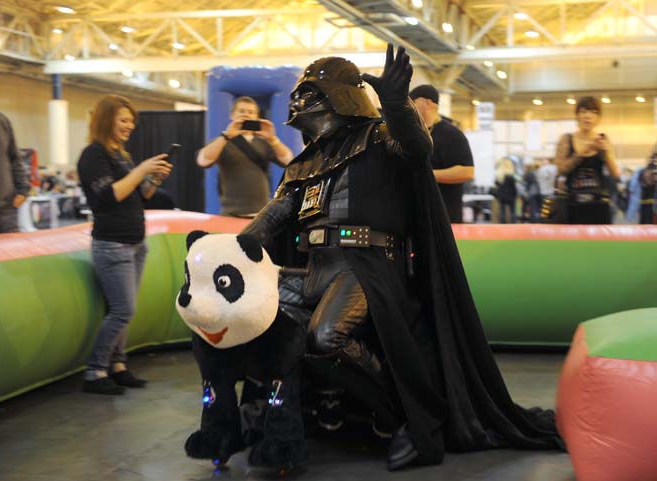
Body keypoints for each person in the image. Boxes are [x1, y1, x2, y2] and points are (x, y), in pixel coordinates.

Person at [241, 44, 561, 471]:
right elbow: (276, 214)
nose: (302, 101)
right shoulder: (304, 162)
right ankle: (286, 422)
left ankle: (407, 417)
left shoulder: (378, 136)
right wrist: (228, 251)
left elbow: (417, 148)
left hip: (366, 265)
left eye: (312, 91)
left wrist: (394, 102)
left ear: (338, 96)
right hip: (312, 265)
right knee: (262, 322)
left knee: (326, 337)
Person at [77, 94, 173, 395]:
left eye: (132, 121)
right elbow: (109, 196)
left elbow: (140, 195)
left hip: (134, 243)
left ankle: (118, 365)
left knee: (124, 310)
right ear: (107, 120)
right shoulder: (93, 155)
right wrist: (142, 170)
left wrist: (153, 179)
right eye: (123, 120)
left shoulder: (120, 154)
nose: (129, 126)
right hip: (112, 244)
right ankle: (96, 370)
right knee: (122, 310)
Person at [196, 96, 294, 217]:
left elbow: (288, 160)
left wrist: (272, 139)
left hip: (260, 212)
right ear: (232, 115)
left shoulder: (265, 142)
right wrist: (226, 136)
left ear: (257, 117)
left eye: (251, 112)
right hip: (230, 213)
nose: (246, 115)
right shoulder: (222, 142)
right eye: (241, 111)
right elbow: (203, 161)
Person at [408, 84, 474, 222]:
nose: (409, 106)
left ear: (427, 103)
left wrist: (427, 174)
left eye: (413, 102)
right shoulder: (412, 133)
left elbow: (467, 172)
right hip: (415, 213)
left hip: (445, 215)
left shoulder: (452, 134)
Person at [554, 96, 620, 224]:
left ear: (598, 118)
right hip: (572, 204)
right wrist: (582, 153)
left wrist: (606, 154)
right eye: (583, 112)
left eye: (593, 112)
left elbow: (615, 173)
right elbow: (561, 170)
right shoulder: (566, 139)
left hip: (598, 204)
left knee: (600, 243)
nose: (588, 116)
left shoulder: (603, 139)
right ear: (577, 116)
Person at [0, 80, 30, 235]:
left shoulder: (1, 120)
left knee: (13, 258)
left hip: (7, 212)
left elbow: (15, 158)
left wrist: (22, 190)